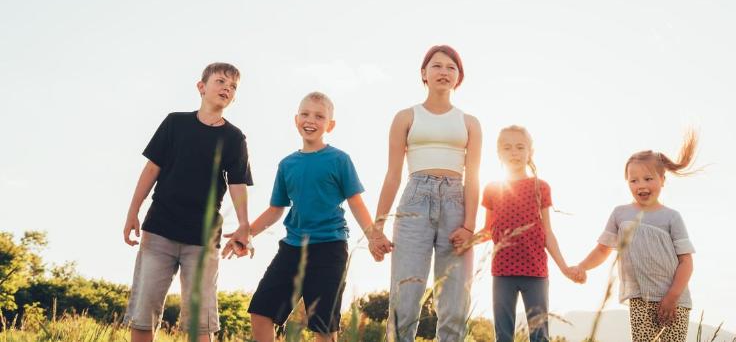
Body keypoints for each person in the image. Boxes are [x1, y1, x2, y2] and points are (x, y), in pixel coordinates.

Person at [229, 92, 378, 342]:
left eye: (319, 116)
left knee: (323, 326)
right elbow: (276, 209)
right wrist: (247, 231)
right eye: (305, 114)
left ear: (330, 125)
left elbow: (356, 201)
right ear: (296, 119)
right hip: (292, 249)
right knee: (260, 312)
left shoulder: (339, 160)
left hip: (330, 249)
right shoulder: (287, 164)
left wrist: (374, 236)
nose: (311, 120)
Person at [122, 62, 253, 342]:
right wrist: (133, 211)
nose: (226, 89)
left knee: (200, 324)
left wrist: (244, 225)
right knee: (143, 316)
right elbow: (151, 170)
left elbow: (238, 183)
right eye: (220, 82)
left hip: (203, 240)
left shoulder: (234, 138)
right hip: (159, 231)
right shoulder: (174, 123)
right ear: (201, 87)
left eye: (232, 87)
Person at [370, 45, 482, 342]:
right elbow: (393, 174)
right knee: (405, 298)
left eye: (451, 67)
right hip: (414, 201)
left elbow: (474, 178)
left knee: (455, 302)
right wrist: (376, 227)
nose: (444, 72)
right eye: (437, 66)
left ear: (459, 77)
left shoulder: (470, 122)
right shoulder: (406, 117)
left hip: (456, 205)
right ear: (424, 73)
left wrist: (470, 225)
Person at [573, 130, 699, 342]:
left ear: (662, 179)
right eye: (633, 180)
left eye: (648, 178)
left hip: (674, 300)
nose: (641, 185)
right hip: (640, 299)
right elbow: (603, 249)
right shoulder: (620, 214)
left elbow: (686, 262)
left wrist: (672, 296)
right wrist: (582, 267)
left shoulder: (671, 217)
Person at [479, 125, 583, 342]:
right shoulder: (492, 189)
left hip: (535, 271)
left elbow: (547, 232)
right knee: (503, 334)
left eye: (520, 147)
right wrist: (463, 241)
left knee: (539, 334)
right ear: (499, 153)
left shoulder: (540, 187)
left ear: (530, 152)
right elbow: (487, 231)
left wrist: (564, 267)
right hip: (502, 271)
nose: (514, 153)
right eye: (507, 148)